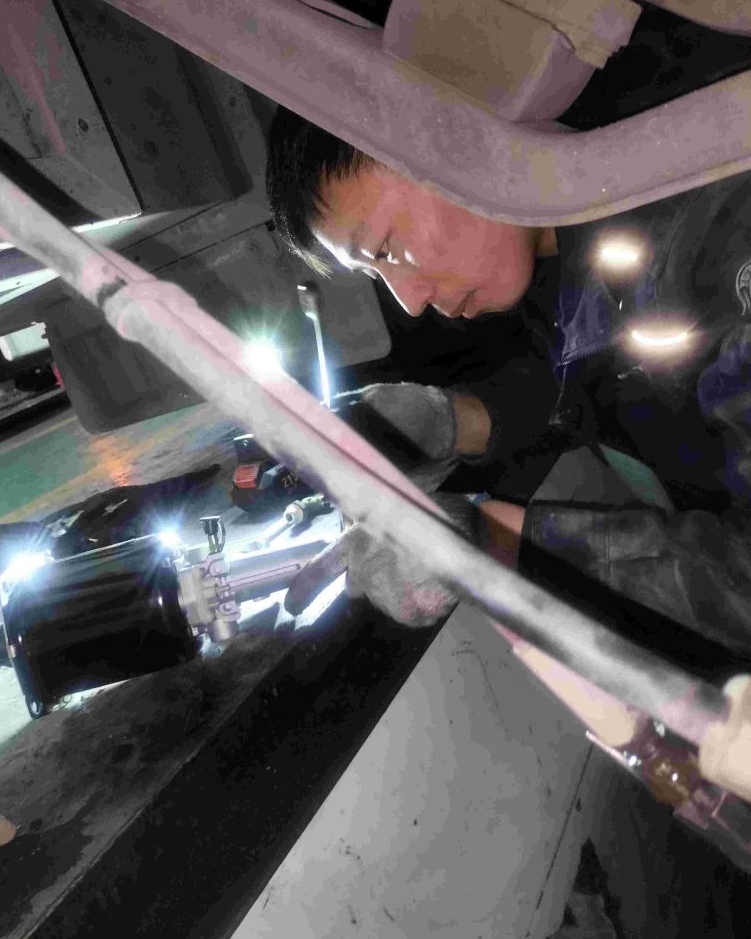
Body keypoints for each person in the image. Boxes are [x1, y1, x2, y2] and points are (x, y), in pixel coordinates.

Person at [268, 105, 751, 655]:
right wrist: (454, 421)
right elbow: (581, 370)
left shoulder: (725, 243)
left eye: (385, 249)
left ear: (459, 139)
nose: (410, 301)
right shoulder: (567, 243)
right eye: (376, 274)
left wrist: (495, 545)